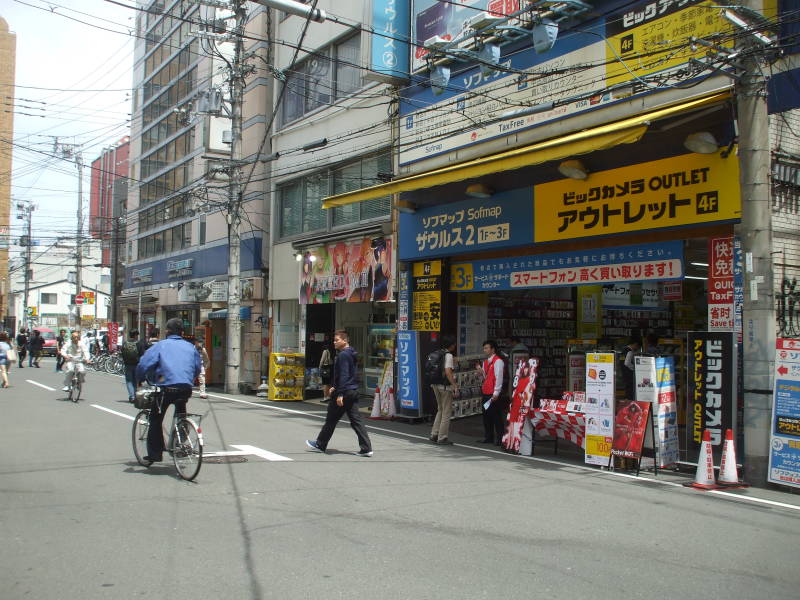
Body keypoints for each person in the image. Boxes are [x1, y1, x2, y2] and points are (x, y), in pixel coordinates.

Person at [135, 318, 201, 463]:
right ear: (182, 332)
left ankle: (155, 454)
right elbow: (197, 368)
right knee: (181, 413)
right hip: (185, 388)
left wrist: (139, 379)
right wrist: (188, 379)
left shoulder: (161, 346)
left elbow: (143, 364)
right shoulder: (191, 348)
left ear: (167, 331)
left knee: (155, 419)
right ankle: (180, 440)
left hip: (166, 388)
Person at [306, 329, 373, 457]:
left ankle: (320, 444)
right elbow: (348, 374)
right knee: (356, 421)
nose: (334, 342)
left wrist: (340, 393)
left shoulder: (343, 355)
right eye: (334, 340)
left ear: (345, 340)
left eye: (337, 340)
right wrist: (334, 386)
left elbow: (344, 374)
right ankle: (366, 448)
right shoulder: (351, 352)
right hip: (352, 390)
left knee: (331, 419)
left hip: (345, 392)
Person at [428, 335, 459, 445]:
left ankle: (434, 434)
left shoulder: (437, 353)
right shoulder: (448, 355)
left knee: (440, 409)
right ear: (452, 345)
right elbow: (448, 372)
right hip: (445, 387)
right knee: (446, 411)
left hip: (435, 384)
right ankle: (442, 437)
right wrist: (454, 385)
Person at [477, 339, 505, 446]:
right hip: (486, 391)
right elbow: (485, 378)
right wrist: (480, 373)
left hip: (493, 393)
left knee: (496, 416)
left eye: (486, 348)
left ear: (493, 349)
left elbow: (499, 378)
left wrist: (496, 393)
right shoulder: (485, 362)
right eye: (484, 348)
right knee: (486, 416)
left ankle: (500, 438)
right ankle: (488, 436)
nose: (485, 350)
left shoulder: (498, 361)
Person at [121, 329, 141, 403]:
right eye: (137, 335)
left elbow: (122, 353)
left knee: (129, 381)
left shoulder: (125, 343)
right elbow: (142, 354)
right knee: (136, 381)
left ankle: (132, 396)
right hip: (137, 365)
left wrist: (125, 361)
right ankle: (136, 396)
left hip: (127, 365)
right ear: (135, 335)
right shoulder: (138, 344)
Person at [318, 338, 334, 402]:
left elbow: (322, 360)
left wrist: (319, 367)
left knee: (325, 383)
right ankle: (329, 396)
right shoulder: (332, 350)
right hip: (330, 367)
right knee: (329, 383)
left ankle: (325, 397)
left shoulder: (325, 351)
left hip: (325, 368)